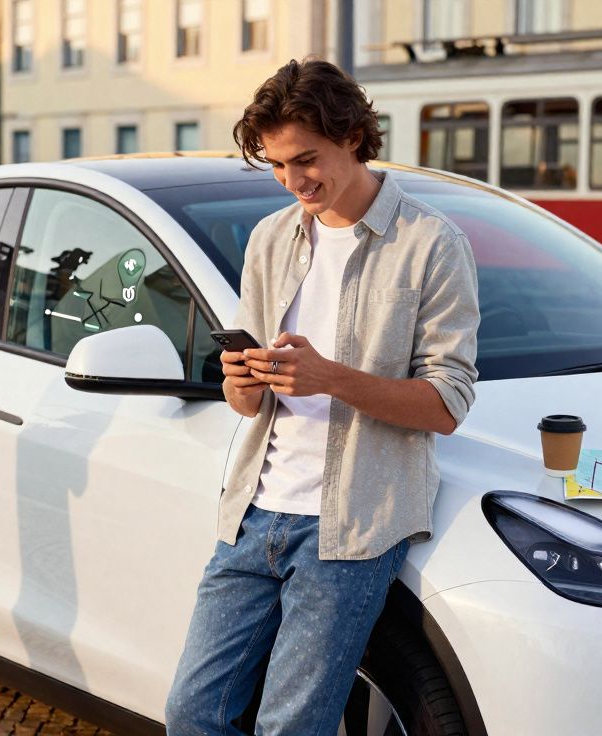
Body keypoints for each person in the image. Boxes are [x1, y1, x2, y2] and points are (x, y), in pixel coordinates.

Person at [165, 58, 480, 734]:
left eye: (305, 159)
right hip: (252, 515)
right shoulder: (271, 238)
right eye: (277, 166)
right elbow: (247, 404)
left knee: (291, 726)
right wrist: (241, 382)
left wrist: (331, 378)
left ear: (355, 137)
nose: (293, 180)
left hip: (351, 530)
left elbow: (448, 404)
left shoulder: (431, 245)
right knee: (193, 713)